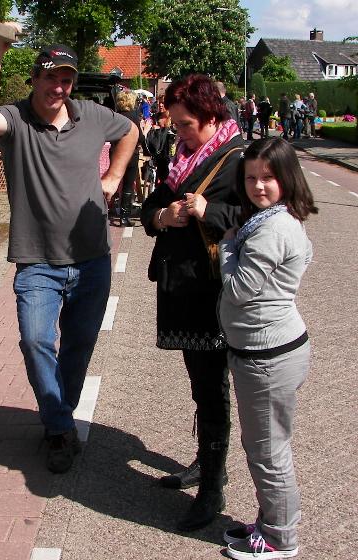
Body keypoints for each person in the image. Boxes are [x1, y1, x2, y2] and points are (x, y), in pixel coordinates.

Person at [0, 30, 138, 474]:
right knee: (36, 341)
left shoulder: (92, 115)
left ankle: (57, 422)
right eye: (50, 77)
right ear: (35, 78)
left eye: (65, 79)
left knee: (78, 347)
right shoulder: (16, 119)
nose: (58, 87)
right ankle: (61, 426)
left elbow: (131, 130)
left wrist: (114, 177)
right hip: (37, 262)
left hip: (91, 259)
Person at [140, 74, 243, 531]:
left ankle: (213, 488)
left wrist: (208, 212)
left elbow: (259, 216)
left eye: (185, 124)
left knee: (212, 386)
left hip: (212, 292)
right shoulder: (182, 159)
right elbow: (150, 209)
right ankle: (206, 463)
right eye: (176, 123)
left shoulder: (238, 160)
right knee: (200, 384)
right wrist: (163, 216)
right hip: (181, 286)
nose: (178, 132)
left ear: (211, 117)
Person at [218, 137, 318, 559]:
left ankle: (279, 538)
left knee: (268, 452)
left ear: (287, 178)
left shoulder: (271, 229)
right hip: (271, 350)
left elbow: (239, 289)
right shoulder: (276, 218)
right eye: (251, 178)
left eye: (268, 177)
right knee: (267, 446)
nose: (258, 186)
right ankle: (270, 520)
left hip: (267, 358)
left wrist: (226, 247)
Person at [113, 90, 145, 226]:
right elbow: (140, 137)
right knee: (128, 184)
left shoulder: (114, 115)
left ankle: (106, 207)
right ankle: (124, 217)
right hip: (131, 153)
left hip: (115, 152)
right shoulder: (133, 116)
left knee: (114, 180)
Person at [144, 110, 176, 188]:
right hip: (159, 155)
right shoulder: (155, 117)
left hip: (167, 156)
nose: (161, 105)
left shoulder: (173, 119)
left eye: (163, 104)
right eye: (159, 103)